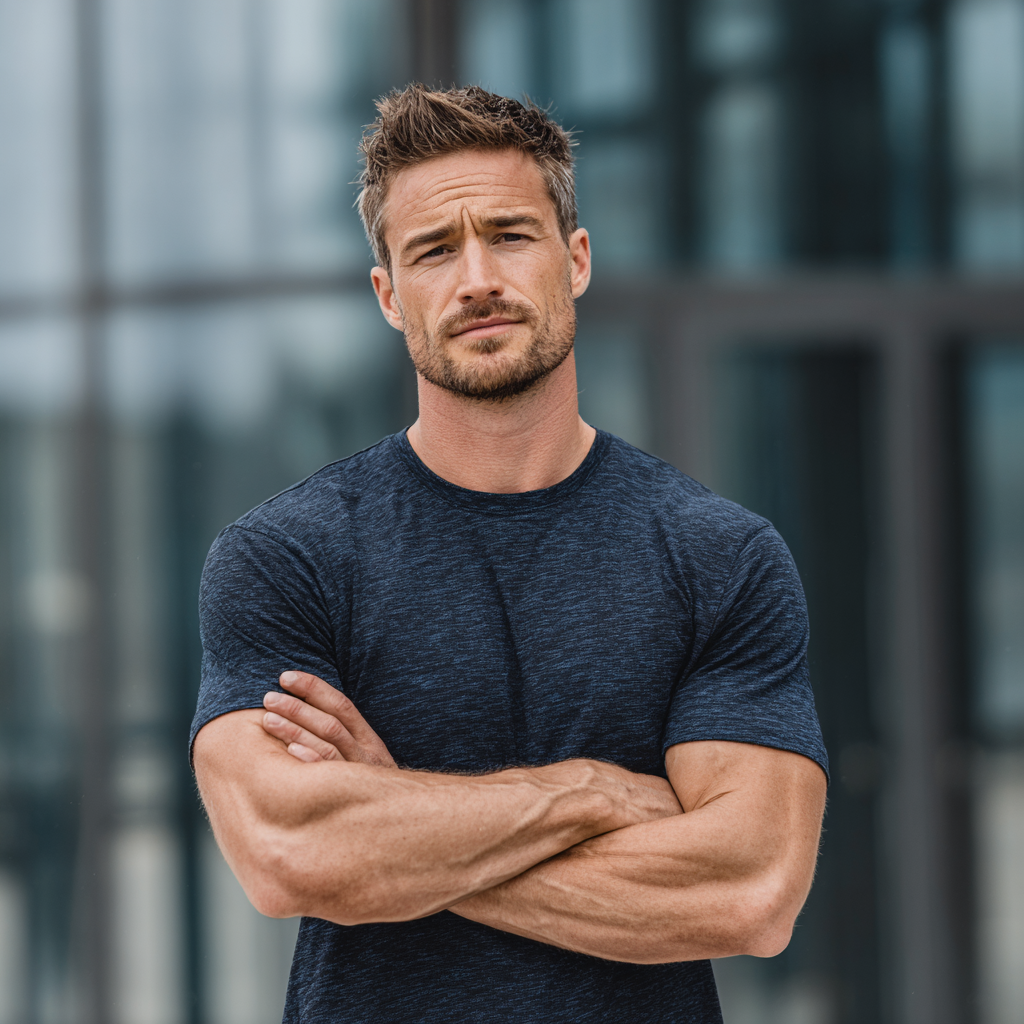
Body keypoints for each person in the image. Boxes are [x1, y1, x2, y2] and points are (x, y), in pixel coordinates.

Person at [191, 84, 828, 1024]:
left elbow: (750, 890)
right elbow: (291, 856)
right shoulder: (288, 556)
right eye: (433, 250)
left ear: (577, 258)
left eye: (510, 234)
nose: (477, 277)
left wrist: (394, 824)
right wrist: (591, 792)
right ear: (389, 294)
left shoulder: (718, 556)